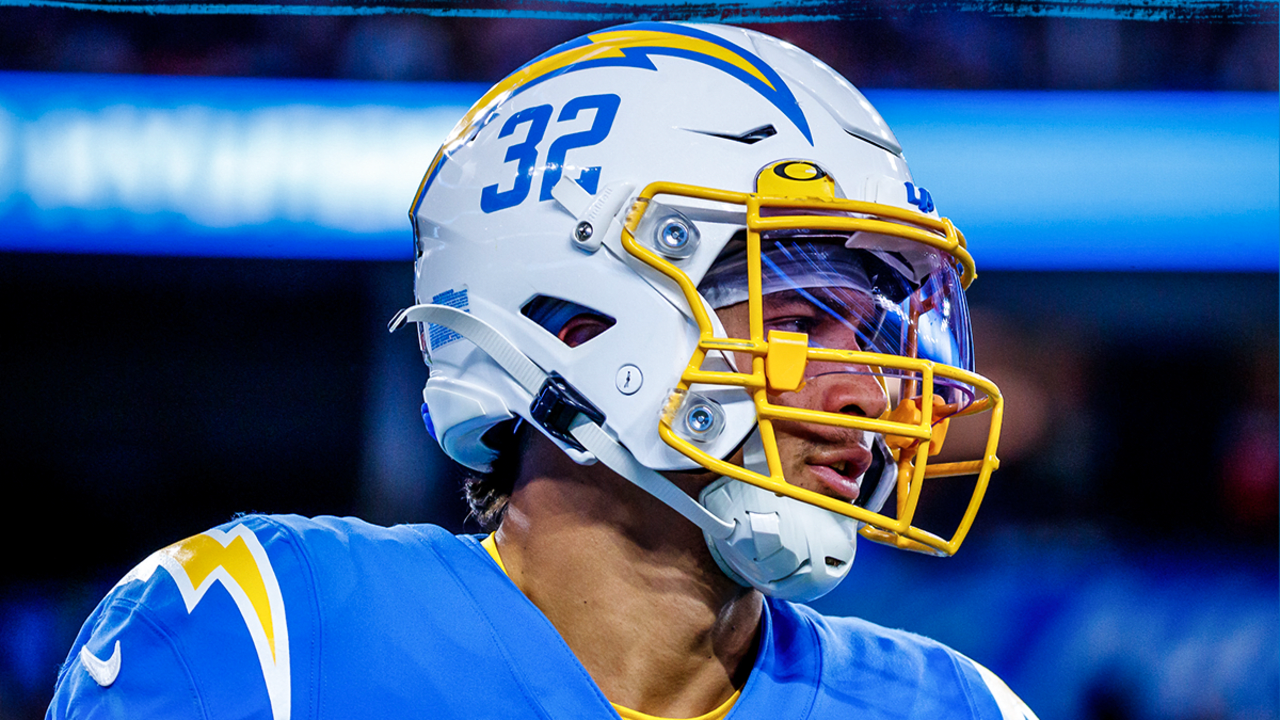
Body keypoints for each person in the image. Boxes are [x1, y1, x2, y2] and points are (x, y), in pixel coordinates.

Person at [47, 21, 1034, 720]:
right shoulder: (269, 640)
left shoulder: (958, 705)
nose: (867, 390)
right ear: (572, 318)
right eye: (803, 320)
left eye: (878, 332)